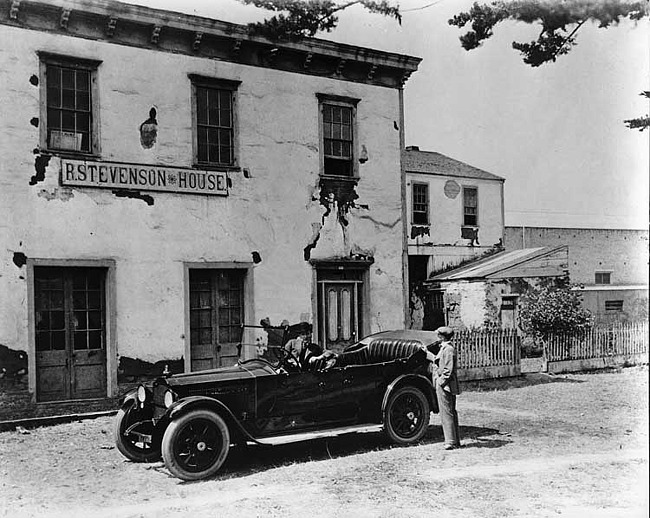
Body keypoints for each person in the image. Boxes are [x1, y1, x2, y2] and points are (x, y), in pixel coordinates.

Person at [433, 326, 461, 450]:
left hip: (446, 385)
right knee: (449, 411)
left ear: (442, 336)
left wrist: (440, 382)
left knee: (447, 412)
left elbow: (448, 370)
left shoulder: (448, 349)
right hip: (446, 384)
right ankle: (455, 440)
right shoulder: (445, 348)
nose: (437, 337)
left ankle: (450, 441)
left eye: (438, 335)